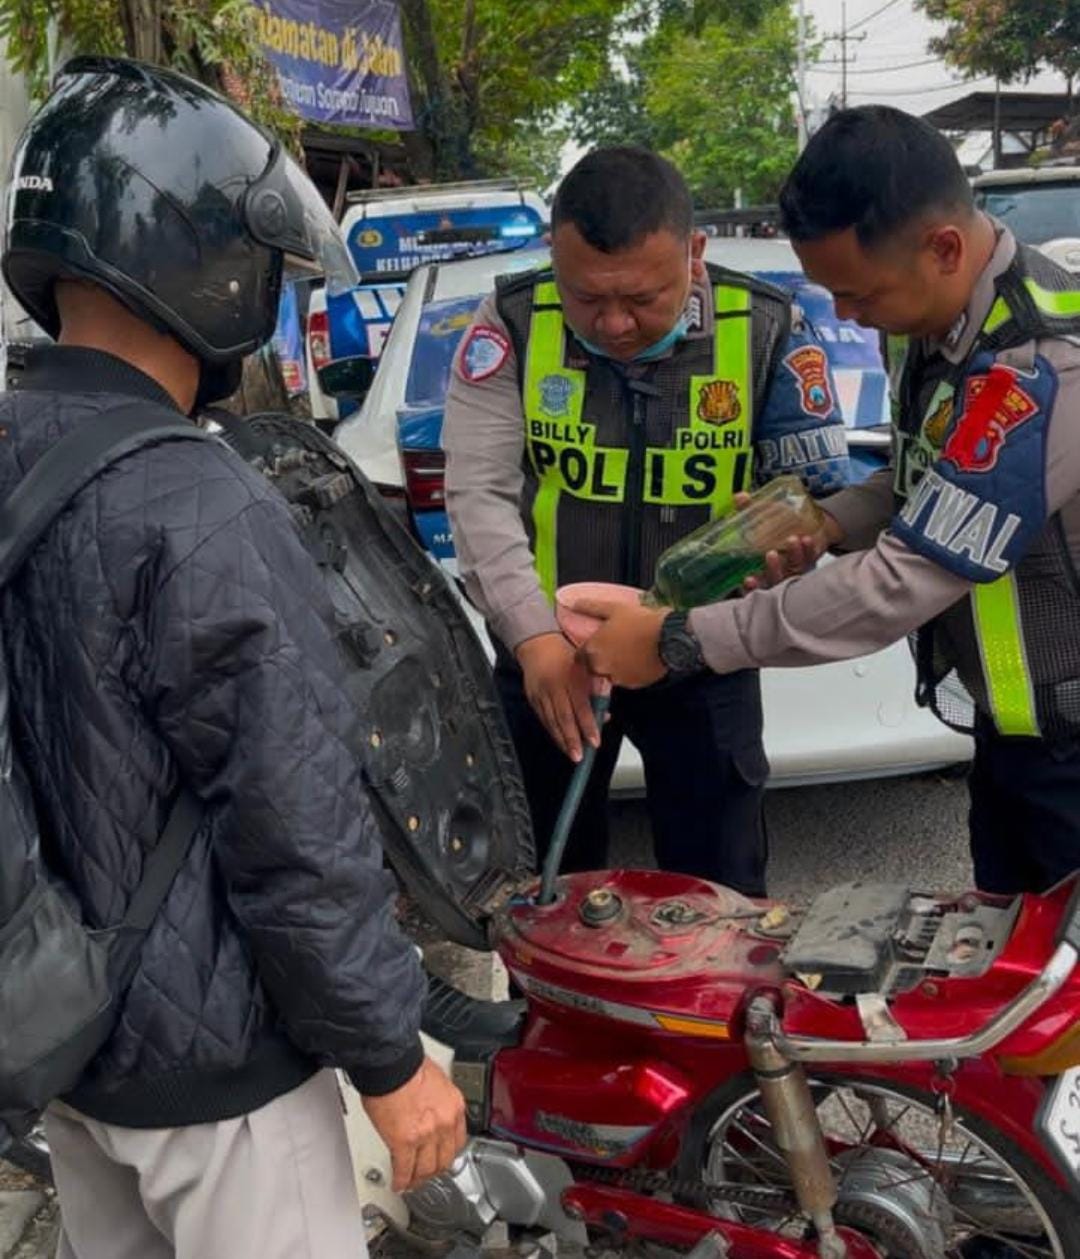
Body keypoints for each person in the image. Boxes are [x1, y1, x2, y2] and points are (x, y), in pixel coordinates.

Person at [0, 57, 464, 1258]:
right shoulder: (196, 498)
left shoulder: (11, 442)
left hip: (62, 1030)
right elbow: (294, 821)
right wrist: (388, 1055)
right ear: (205, 264)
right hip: (221, 1080)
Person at [575, 107, 1080, 898]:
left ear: (943, 248)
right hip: (1013, 741)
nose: (846, 316)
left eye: (858, 293)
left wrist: (682, 640)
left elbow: (899, 584)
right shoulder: (934, 321)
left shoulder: (1039, 365)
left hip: (1072, 754)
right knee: (1009, 989)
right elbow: (924, 478)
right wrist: (830, 519)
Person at [443, 147, 850, 896]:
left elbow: (816, 494)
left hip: (700, 655)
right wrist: (531, 637)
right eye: (587, 298)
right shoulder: (511, 322)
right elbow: (477, 492)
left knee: (720, 889)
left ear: (695, 255)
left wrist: (786, 547)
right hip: (551, 657)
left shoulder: (766, 326)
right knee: (545, 891)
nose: (615, 323)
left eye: (642, 297)